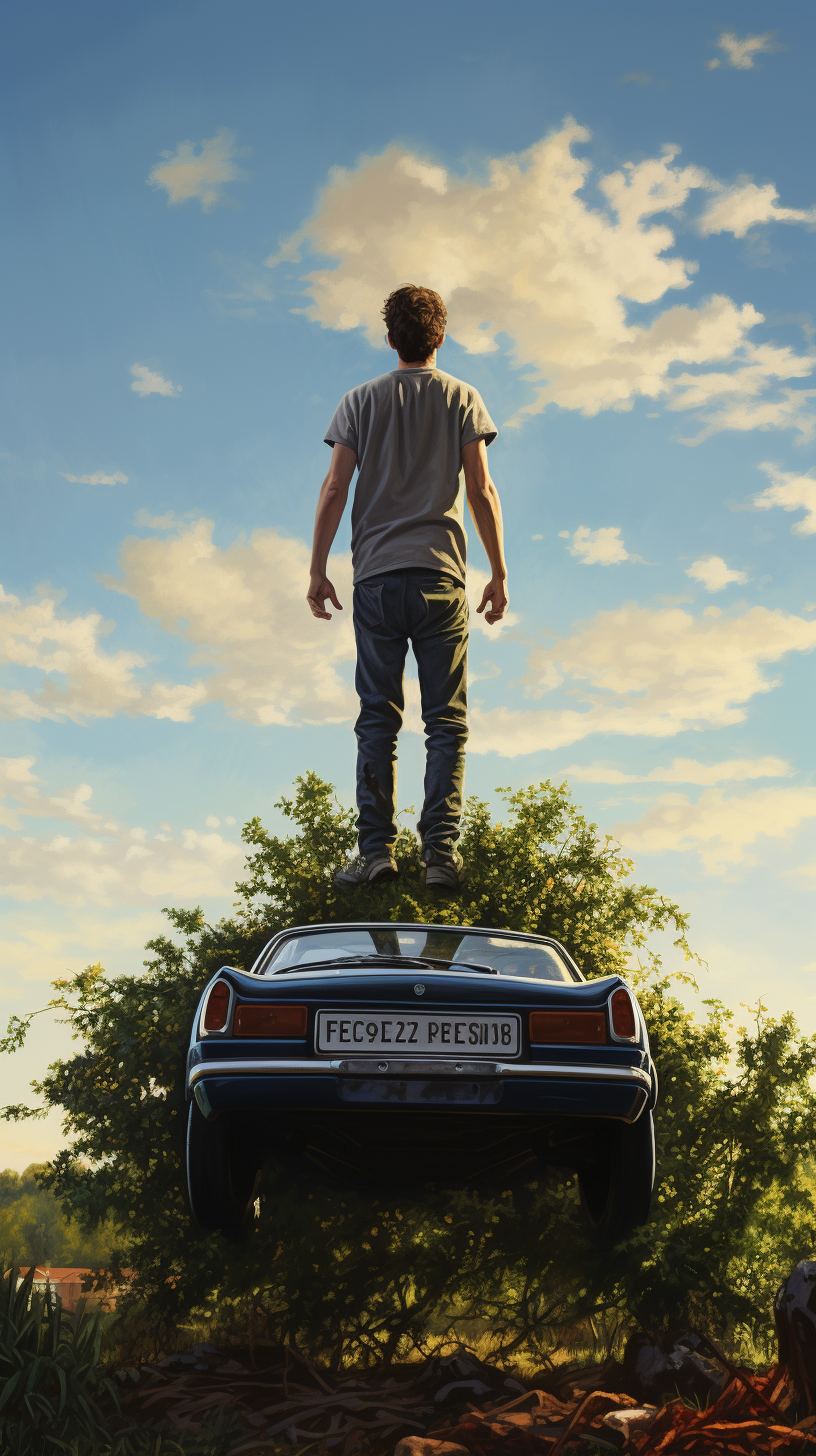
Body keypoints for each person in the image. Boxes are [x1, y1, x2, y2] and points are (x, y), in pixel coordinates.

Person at [307, 284, 508, 891]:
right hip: (441, 577)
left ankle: (375, 854)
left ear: (390, 337)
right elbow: (480, 490)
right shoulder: (462, 398)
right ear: (440, 337)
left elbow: (335, 489)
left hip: (374, 580)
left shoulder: (357, 402)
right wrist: (498, 572)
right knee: (446, 721)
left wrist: (317, 569)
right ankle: (440, 856)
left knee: (377, 719)